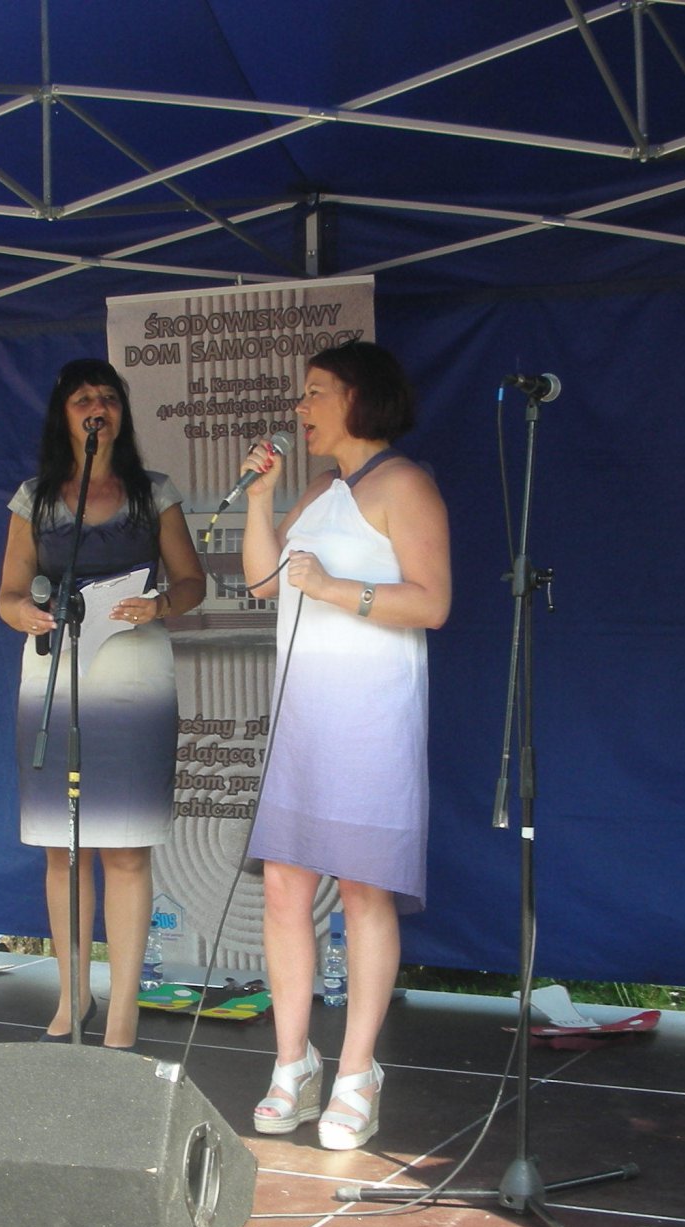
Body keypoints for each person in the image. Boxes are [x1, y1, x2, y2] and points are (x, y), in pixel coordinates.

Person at [237, 340, 451, 1149]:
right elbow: (262, 584)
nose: (302, 408)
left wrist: (334, 588)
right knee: (285, 888)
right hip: (303, 720)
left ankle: (358, 1072)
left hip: (371, 719)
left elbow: (432, 603)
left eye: (316, 392)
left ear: (361, 397)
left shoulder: (406, 485)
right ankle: (292, 1063)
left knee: (364, 891)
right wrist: (261, 503)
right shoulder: (321, 489)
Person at [0, 358, 206, 1049]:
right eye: (84, 398)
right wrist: (21, 613)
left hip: (133, 673)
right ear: (64, 414)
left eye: (109, 398)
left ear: (123, 413)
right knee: (63, 848)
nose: (98, 408)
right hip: (55, 671)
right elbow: (8, 592)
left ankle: (123, 1008)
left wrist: (161, 604)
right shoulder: (34, 498)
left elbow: (193, 582)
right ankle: (72, 995)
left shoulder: (154, 492)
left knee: (125, 848)